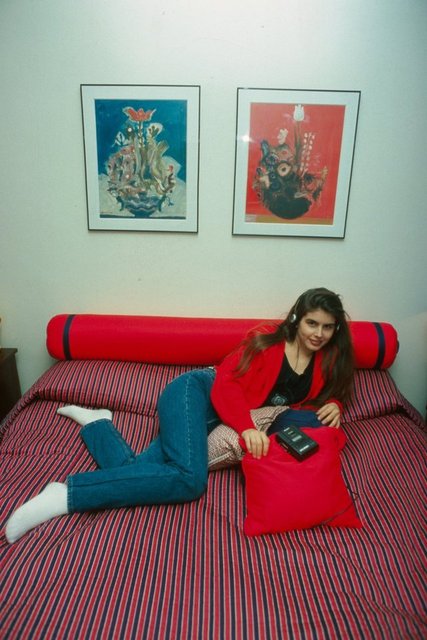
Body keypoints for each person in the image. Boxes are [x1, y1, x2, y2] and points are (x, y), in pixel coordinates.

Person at [5, 287, 354, 543]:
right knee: (190, 480)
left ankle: (98, 423)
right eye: (312, 323)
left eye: (327, 327)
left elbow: (322, 400)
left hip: (217, 418)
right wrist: (247, 428)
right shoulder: (266, 341)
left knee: (133, 469)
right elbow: (225, 387)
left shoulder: (330, 359)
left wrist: (335, 405)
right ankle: (66, 495)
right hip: (194, 393)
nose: (318, 334)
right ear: (296, 319)